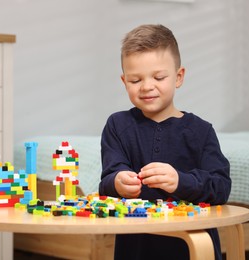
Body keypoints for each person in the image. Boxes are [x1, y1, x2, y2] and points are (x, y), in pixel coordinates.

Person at [99, 24, 231, 260]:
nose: (147, 86)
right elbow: (108, 180)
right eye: (135, 80)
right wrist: (118, 182)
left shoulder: (201, 131)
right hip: (136, 249)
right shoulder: (117, 125)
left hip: (191, 249)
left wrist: (180, 181)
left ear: (178, 77)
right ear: (124, 81)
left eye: (158, 77)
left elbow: (221, 187)